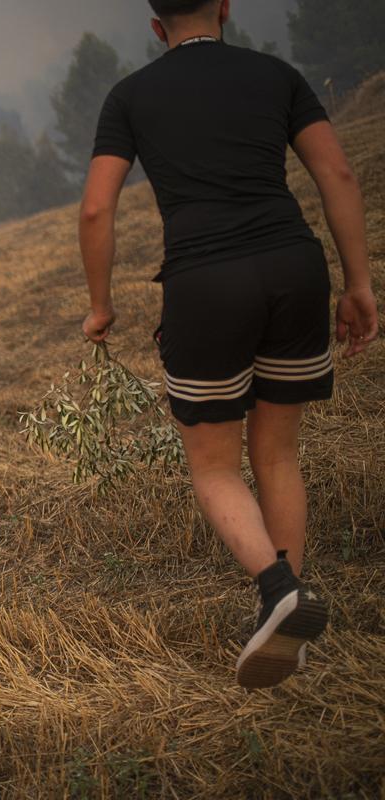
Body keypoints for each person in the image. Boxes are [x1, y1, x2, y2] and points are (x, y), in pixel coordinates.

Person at [79, 0, 379, 688]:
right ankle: (288, 621)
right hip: (294, 267)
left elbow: (97, 206)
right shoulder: (276, 73)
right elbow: (338, 175)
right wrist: (358, 282)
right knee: (277, 452)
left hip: (206, 283)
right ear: (225, 8)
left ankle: (279, 593)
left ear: (156, 27)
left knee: (215, 465)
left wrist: (101, 305)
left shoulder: (129, 96)